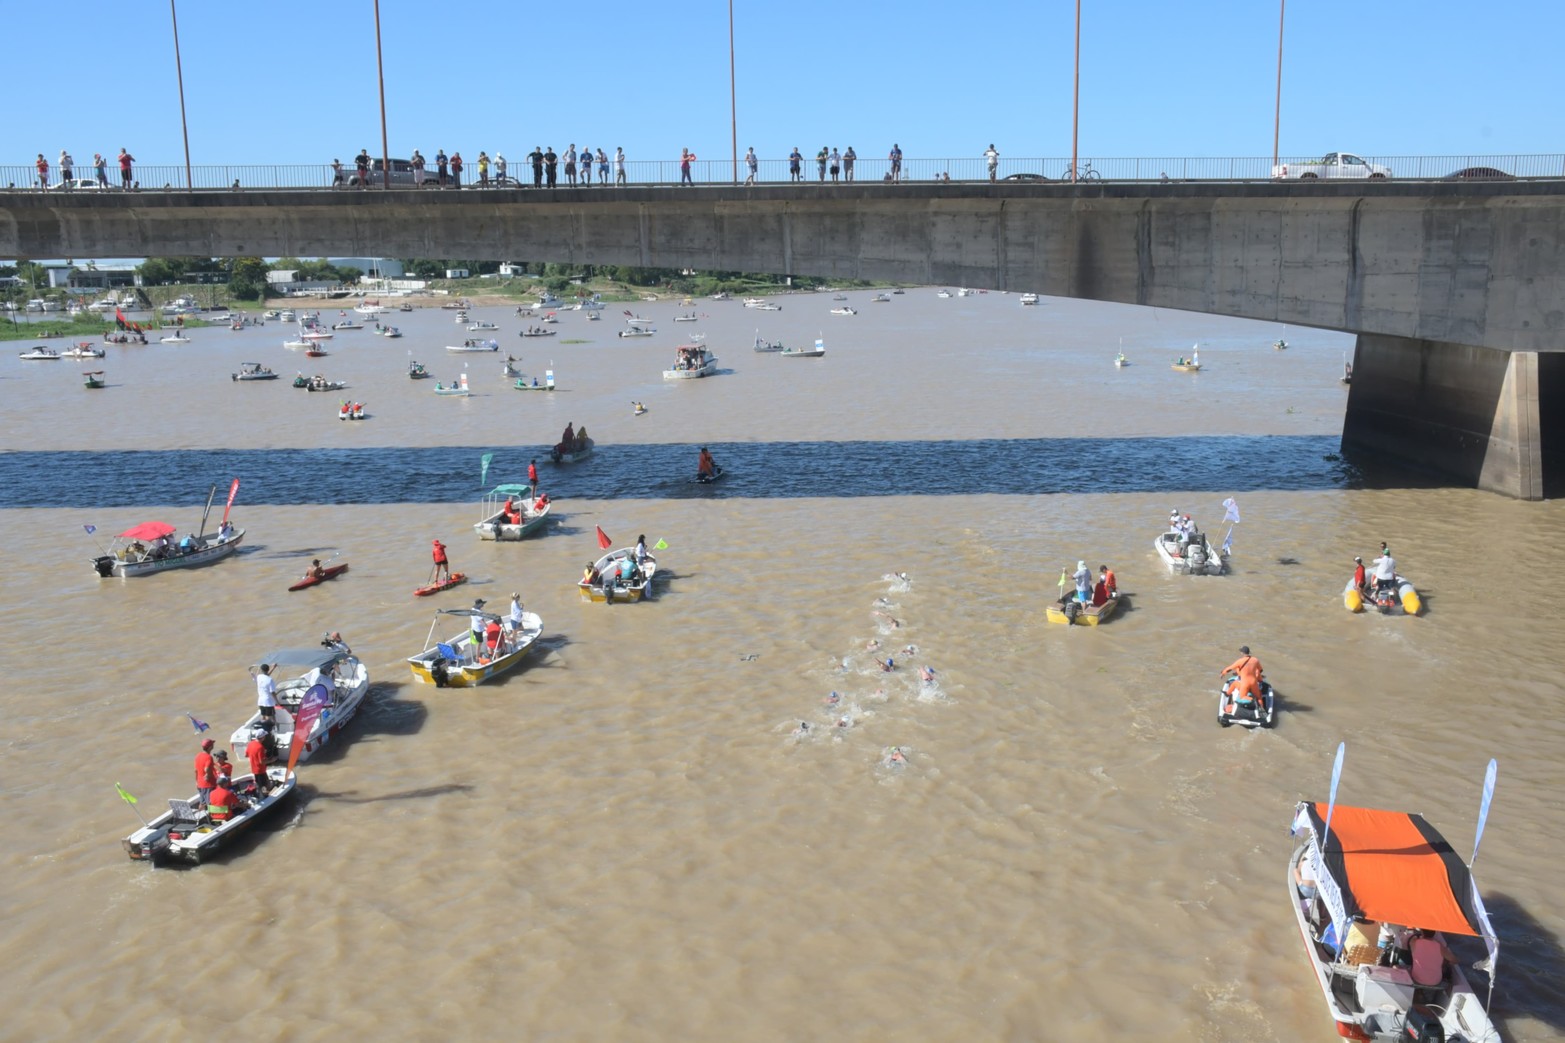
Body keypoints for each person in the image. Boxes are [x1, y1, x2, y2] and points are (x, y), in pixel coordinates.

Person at [1219, 646, 1264, 714]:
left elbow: (1230, 668)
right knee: (1259, 697)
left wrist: (1223, 673)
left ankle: (1251, 700)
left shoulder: (1240, 661)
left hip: (1245, 683)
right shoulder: (1255, 660)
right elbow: (1260, 670)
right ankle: (1262, 709)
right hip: (1254, 682)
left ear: (1242, 653)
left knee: (1242, 696)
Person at [245, 727, 272, 795]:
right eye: (264, 736)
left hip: (254, 769)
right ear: (262, 737)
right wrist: (272, 760)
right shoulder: (260, 747)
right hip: (260, 770)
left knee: (259, 783)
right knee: (265, 785)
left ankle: (260, 792)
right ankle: (265, 796)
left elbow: (246, 755)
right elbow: (262, 762)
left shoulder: (250, 743)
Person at [194, 737, 218, 806]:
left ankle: (201, 812)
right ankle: (213, 815)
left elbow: (196, 770)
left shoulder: (198, 756)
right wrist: (208, 774)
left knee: (202, 802)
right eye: (212, 744)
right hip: (208, 784)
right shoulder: (208, 757)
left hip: (200, 783)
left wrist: (196, 782)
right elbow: (206, 769)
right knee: (211, 803)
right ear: (210, 747)